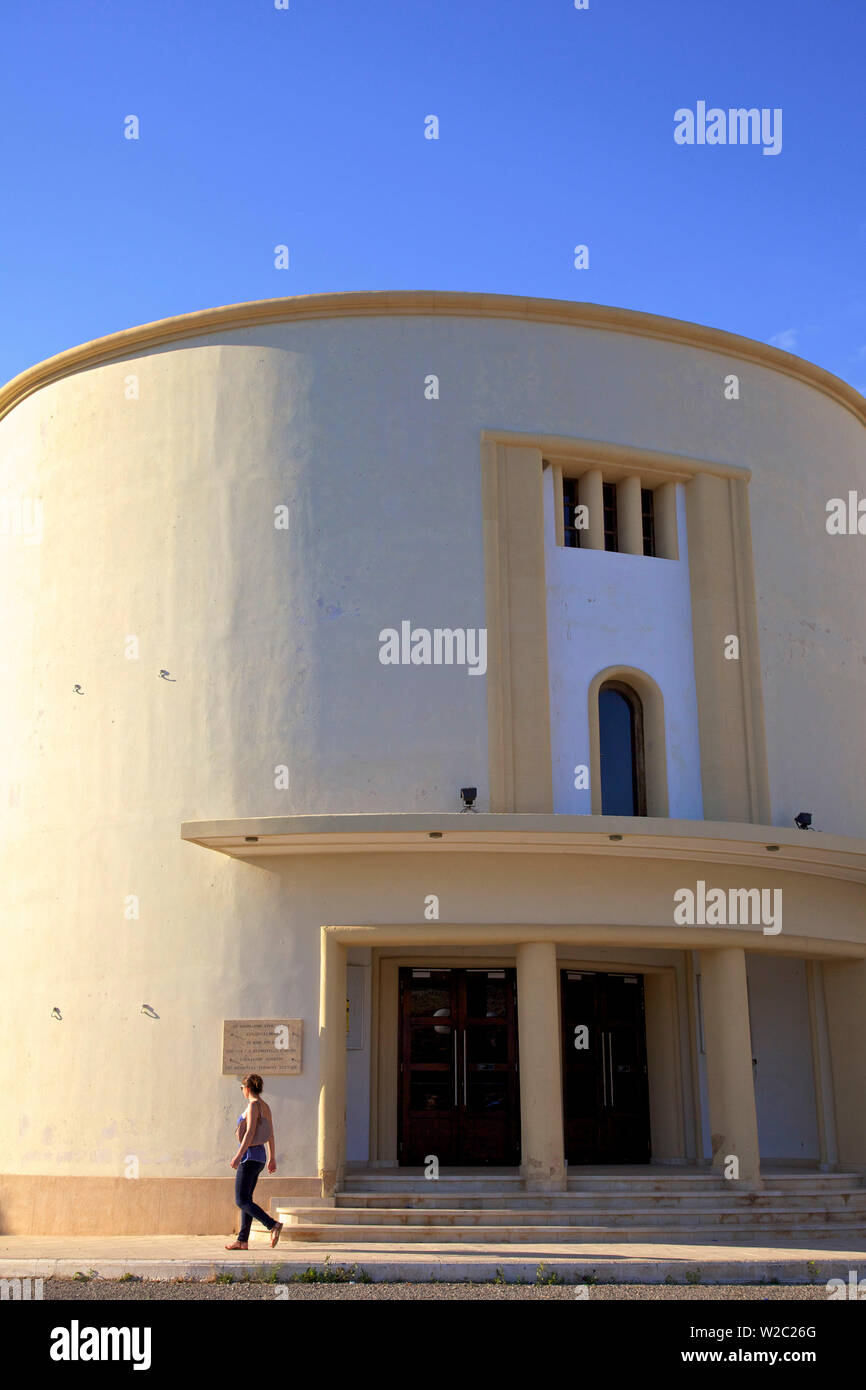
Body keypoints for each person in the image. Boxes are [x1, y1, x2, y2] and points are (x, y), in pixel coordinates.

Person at [225, 1073, 283, 1250]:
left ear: (247, 1088)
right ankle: (242, 1241)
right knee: (247, 1199)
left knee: (241, 1200)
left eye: (242, 1088)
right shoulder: (266, 1106)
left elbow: (250, 1133)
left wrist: (238, 1155)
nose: (242, 1091)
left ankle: (272, 1224)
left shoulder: (252, 1106)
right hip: (260, 1158)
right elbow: (270, 1134)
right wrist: (272, 1158)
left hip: (249, 1157)